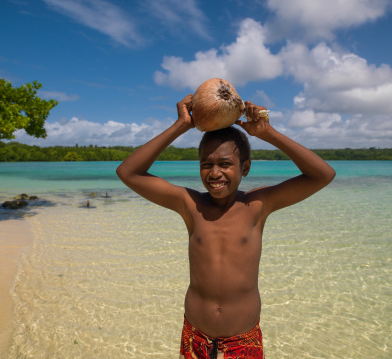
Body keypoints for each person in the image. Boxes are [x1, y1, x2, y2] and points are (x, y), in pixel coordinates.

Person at [116, 94, 336, 359]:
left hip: (243, 340)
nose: (214, 172)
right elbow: (128, 172)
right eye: (206, 164)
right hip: (196, 337)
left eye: (225, 164)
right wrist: (181, 126)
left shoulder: (257, 205)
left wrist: (268, 133)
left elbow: (323, 175)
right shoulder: (190, 204)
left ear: (245, 167)